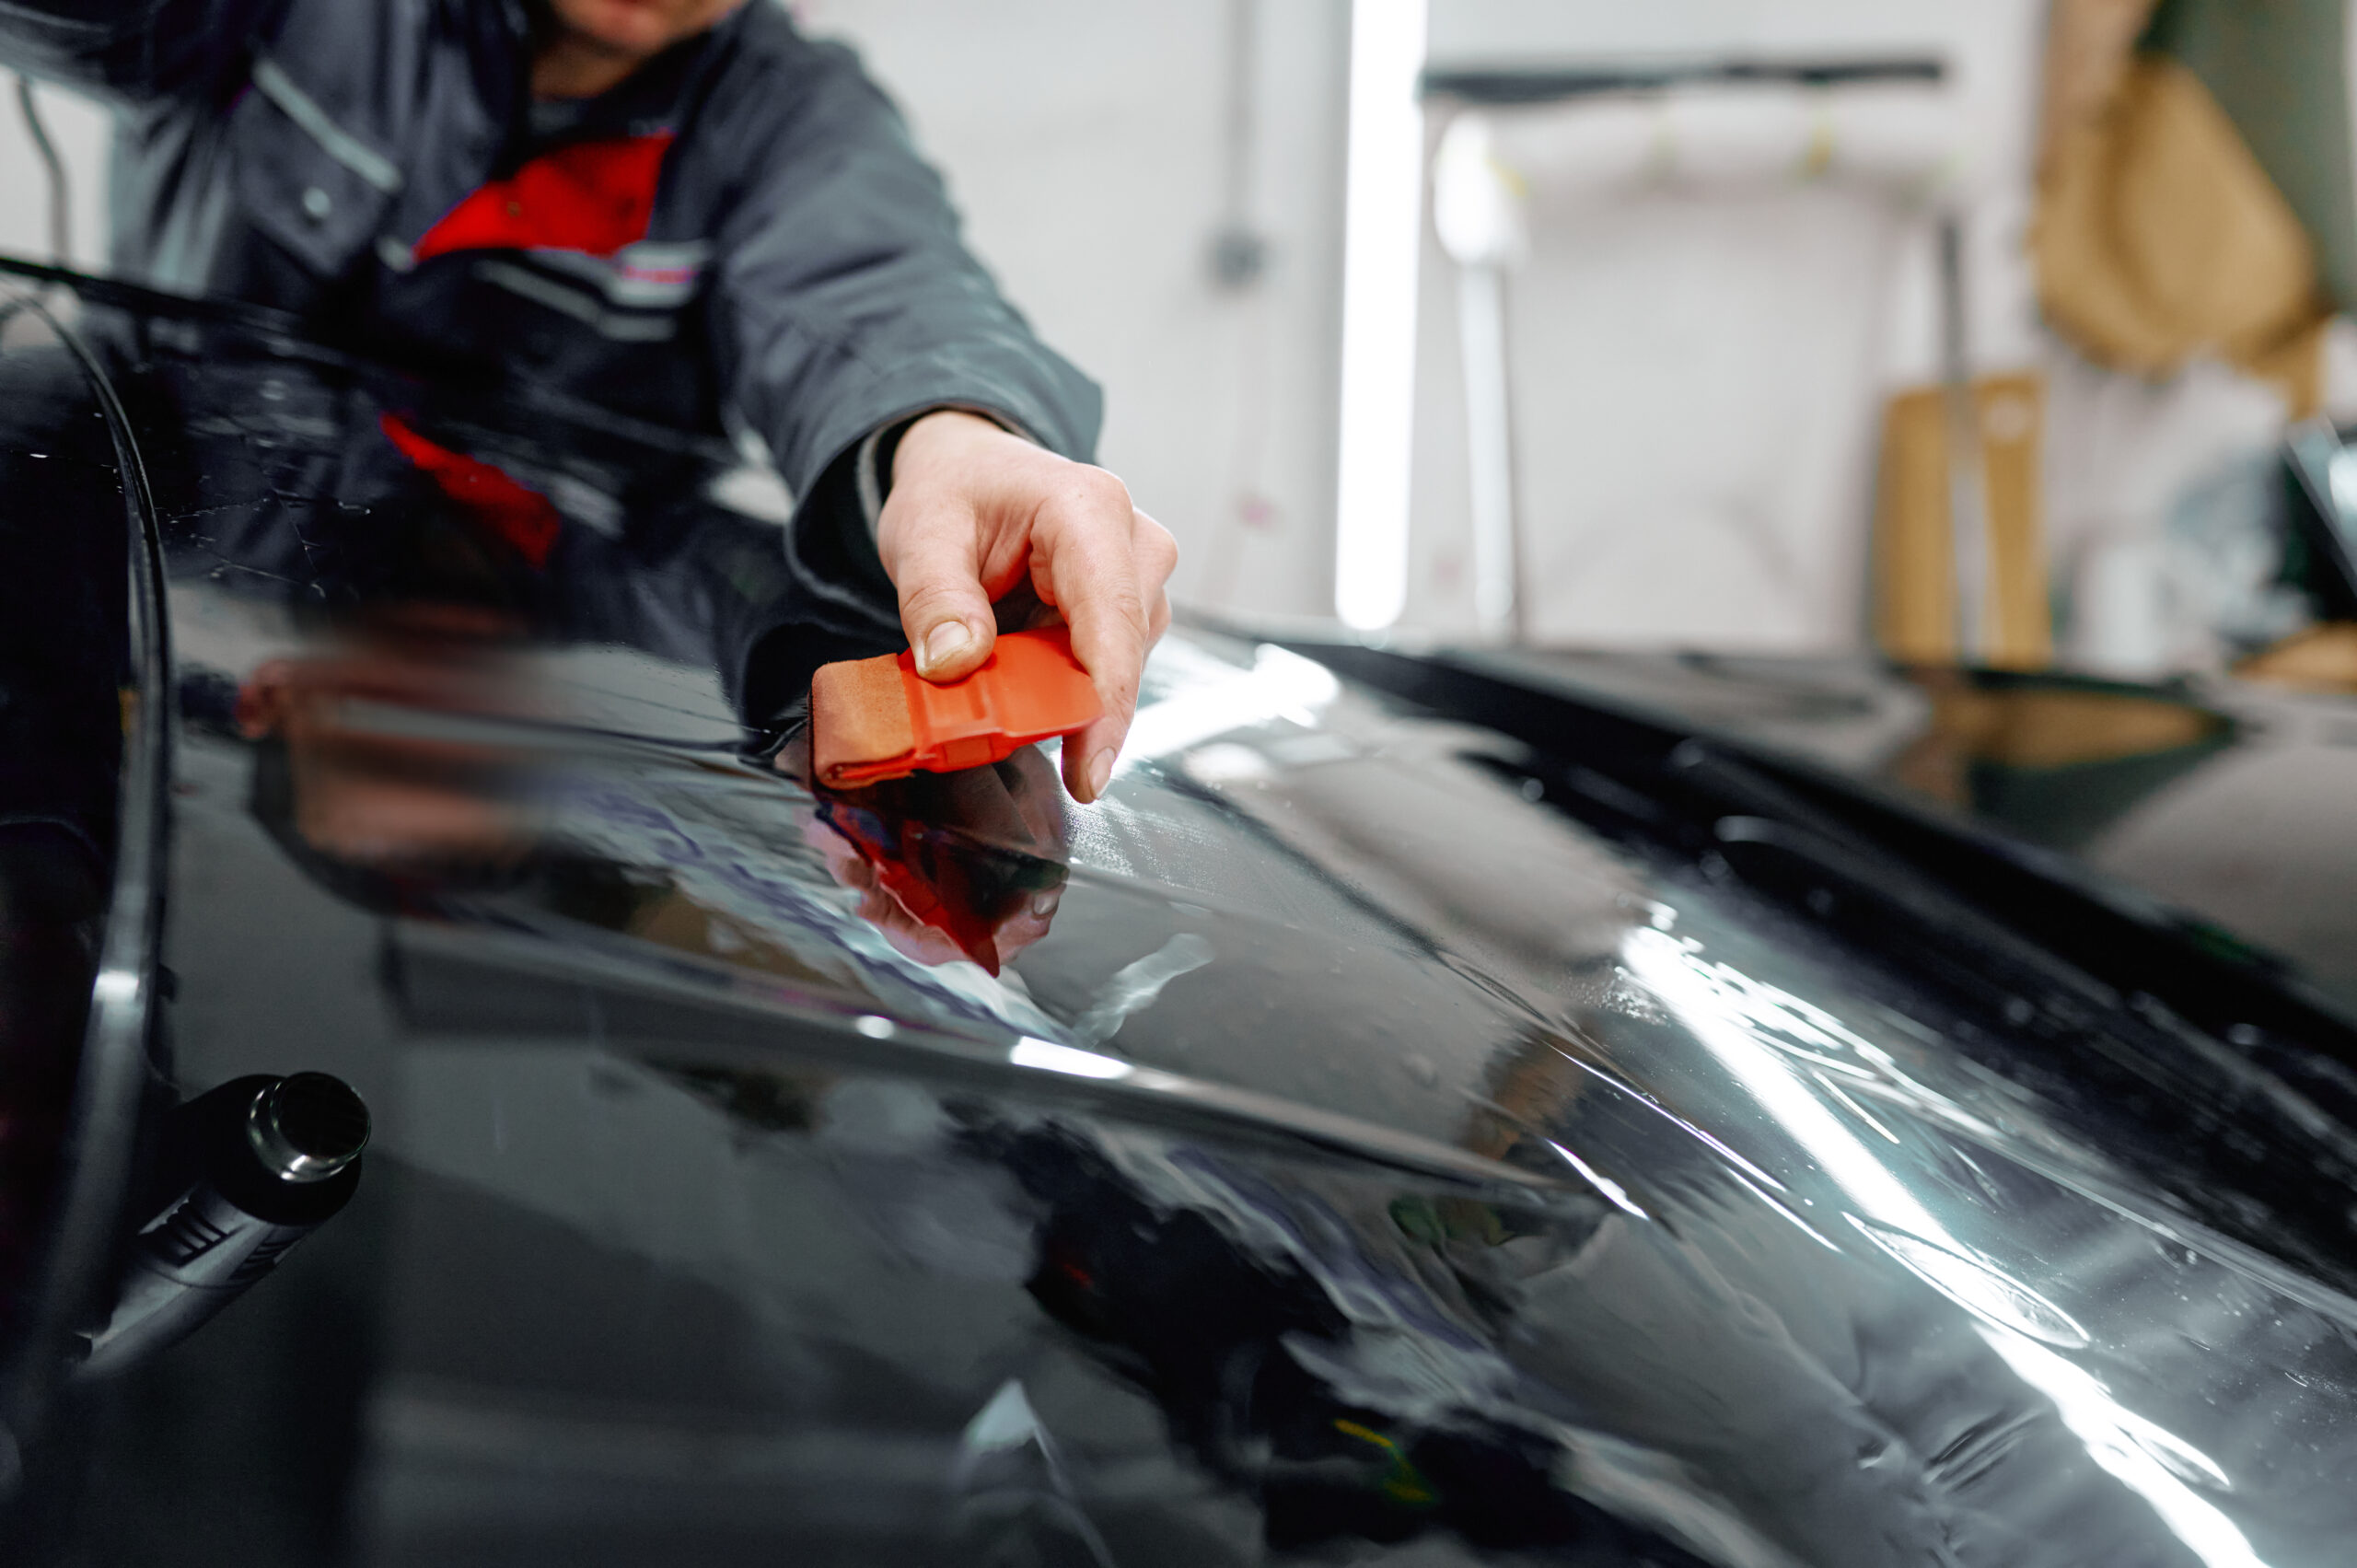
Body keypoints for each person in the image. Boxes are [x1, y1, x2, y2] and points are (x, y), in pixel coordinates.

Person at [0, 0, 1176, 803]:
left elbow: (882, 295)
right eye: (453, 757)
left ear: (278, 708)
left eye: (404, 746)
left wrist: (956, 431)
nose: (437, 707)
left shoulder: (784, 120)